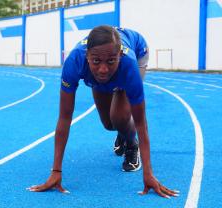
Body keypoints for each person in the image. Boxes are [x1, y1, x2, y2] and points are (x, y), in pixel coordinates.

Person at [28, 25, 178, 198]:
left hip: (137, 50)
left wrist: (148, 174)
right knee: (108, 124)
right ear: (87, 56)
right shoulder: (74, 61)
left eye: (111, 61)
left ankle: (131, 144)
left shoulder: (128, 65)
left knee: (119, 116)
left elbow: (141, 122)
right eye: (96, 61)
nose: (103, 69)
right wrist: (56, 171)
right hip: (103, 62)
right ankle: (122, 131)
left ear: (120, 56)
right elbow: (64, 117)